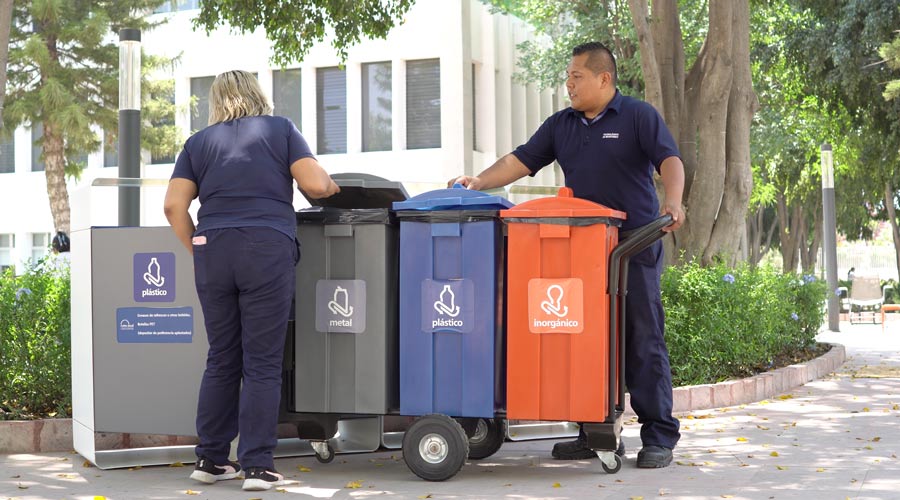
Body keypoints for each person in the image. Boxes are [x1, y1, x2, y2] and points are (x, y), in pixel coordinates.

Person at [450, 42, 685, 469]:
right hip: (582, 250)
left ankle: (659, 436)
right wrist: (477, 182)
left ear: (604, 78)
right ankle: (591, 431)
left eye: (576, 76)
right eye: (568, 77)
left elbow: (669, 159)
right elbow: (521, 159)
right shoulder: (562, 125)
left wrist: (675, 200)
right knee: (580, 340)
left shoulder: (637, 116)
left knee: (642, 338)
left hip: (634, 244)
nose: (569, 84)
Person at [164, 70, 339, 491]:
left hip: (214, 249)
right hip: (266, 247)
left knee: (222, 358)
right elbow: (314, 184)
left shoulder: (198, 143)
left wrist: (200, 251)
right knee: (261, 362)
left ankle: (210, 460)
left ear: (216, 101)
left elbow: (173, 206)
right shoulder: (280, 130)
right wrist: (332, 186)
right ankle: (257, 466)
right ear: (258, 95)